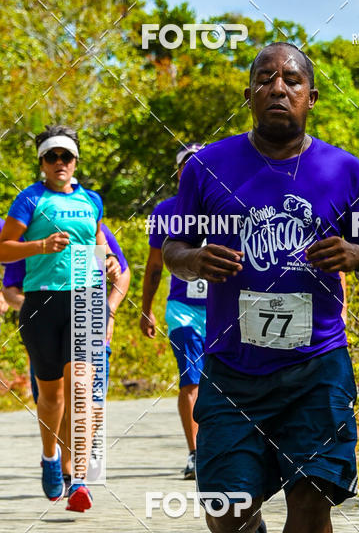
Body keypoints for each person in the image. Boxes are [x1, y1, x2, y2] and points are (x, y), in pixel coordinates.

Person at [163, 43, 359, 533]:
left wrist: (357, 257)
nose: (277, 87)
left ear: (310, 96)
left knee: (314, 494)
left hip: (317, 361)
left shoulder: (345, 171)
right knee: (223, 504)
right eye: (264, 78)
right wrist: (193, 261)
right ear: (249, 94)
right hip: (234, 366)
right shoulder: (207, 167)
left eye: (291, 80)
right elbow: (173, 247)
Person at [0, 124, 110, 511]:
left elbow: (98, 244)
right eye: (52, 156)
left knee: (80, 385)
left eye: (66, 156)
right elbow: (3, 250)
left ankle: (79, 479)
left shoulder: (91, 200)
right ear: (42, 163)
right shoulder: (30, 200)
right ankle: (50, 458)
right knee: (52, 395)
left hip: (86, 299)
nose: (60, 162)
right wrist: (41, 245)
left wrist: (108, 262)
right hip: (42, 303)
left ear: (76, 161)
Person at [2, 221, 130, 485]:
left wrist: (111, 311)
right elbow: (11, 289)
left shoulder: (93, 232)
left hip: (90, 320)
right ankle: (63, 462)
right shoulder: (35, 235)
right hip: (47, 331)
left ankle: (76, 470)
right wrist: (36, 310)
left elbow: (122, 273)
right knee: (56, 402)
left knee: (91, 398)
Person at [140, 143, 207, 479]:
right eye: (186, 164)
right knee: (190, 381)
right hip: (183, 309)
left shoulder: (227, 204)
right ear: (179, 172)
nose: (193, 169)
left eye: (200, 163)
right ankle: (196, 454)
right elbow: (154, 265)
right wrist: (146, 309)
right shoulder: (165, 211)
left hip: (225, 309)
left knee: (231, 381)